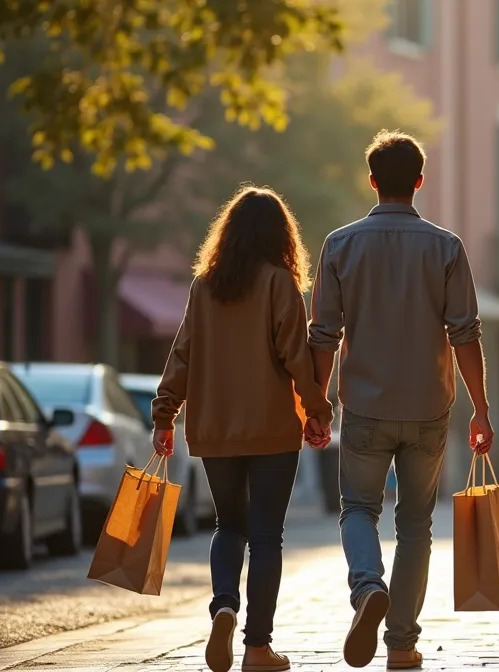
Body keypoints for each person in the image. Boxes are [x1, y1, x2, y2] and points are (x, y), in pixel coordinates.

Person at [308, 130, 492, 670]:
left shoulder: (340, 245)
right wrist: (480, 407)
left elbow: (323, 334)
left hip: (363, 405)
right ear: (419, 181)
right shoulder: (447, 247)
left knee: (358, 509)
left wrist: (317, 404)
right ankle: (403, 645)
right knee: (415, 524)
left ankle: (368, 587)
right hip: (429, 410)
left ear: (371, 181)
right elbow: (465, 332)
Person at [151, 186, 334, 672]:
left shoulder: (203, 289)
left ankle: (224, 606)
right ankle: (257, 648)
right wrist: (318, 410)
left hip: (215, 430)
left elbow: (182, 353)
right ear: (281, 236)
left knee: (227, 525)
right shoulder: (280, 284)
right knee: (267, 535)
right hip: (272, 429)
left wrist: (164, 414)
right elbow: (297, 357)